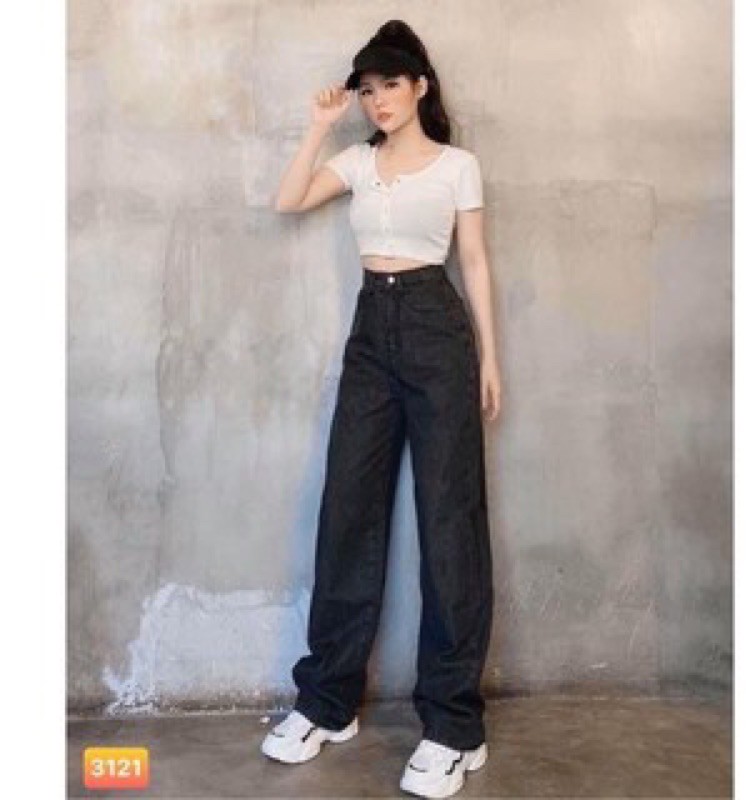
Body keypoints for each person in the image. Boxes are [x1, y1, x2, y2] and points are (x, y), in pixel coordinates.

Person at [260, 19, 501, 799]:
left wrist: (490, 359)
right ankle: (327, 703)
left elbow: (474, 262)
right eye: (367, 89)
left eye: (390, 84)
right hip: (371, 333)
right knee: (348, 512)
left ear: (421, 86)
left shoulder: (458, 166)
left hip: (437, 332)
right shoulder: (359, 162)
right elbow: (288, 200)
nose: (377, 100)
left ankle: (454, 727)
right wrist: (318, 126)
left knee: (449, 523)